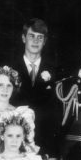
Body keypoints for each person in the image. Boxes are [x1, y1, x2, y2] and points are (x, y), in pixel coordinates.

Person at [9, 18, 56, 151]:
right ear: (23, 38)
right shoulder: (9, 69)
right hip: (15, 141)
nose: (36, 41)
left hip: (45, 141)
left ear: (45, 41)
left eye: (40, 37)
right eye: (31, 36)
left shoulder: (56, 71)